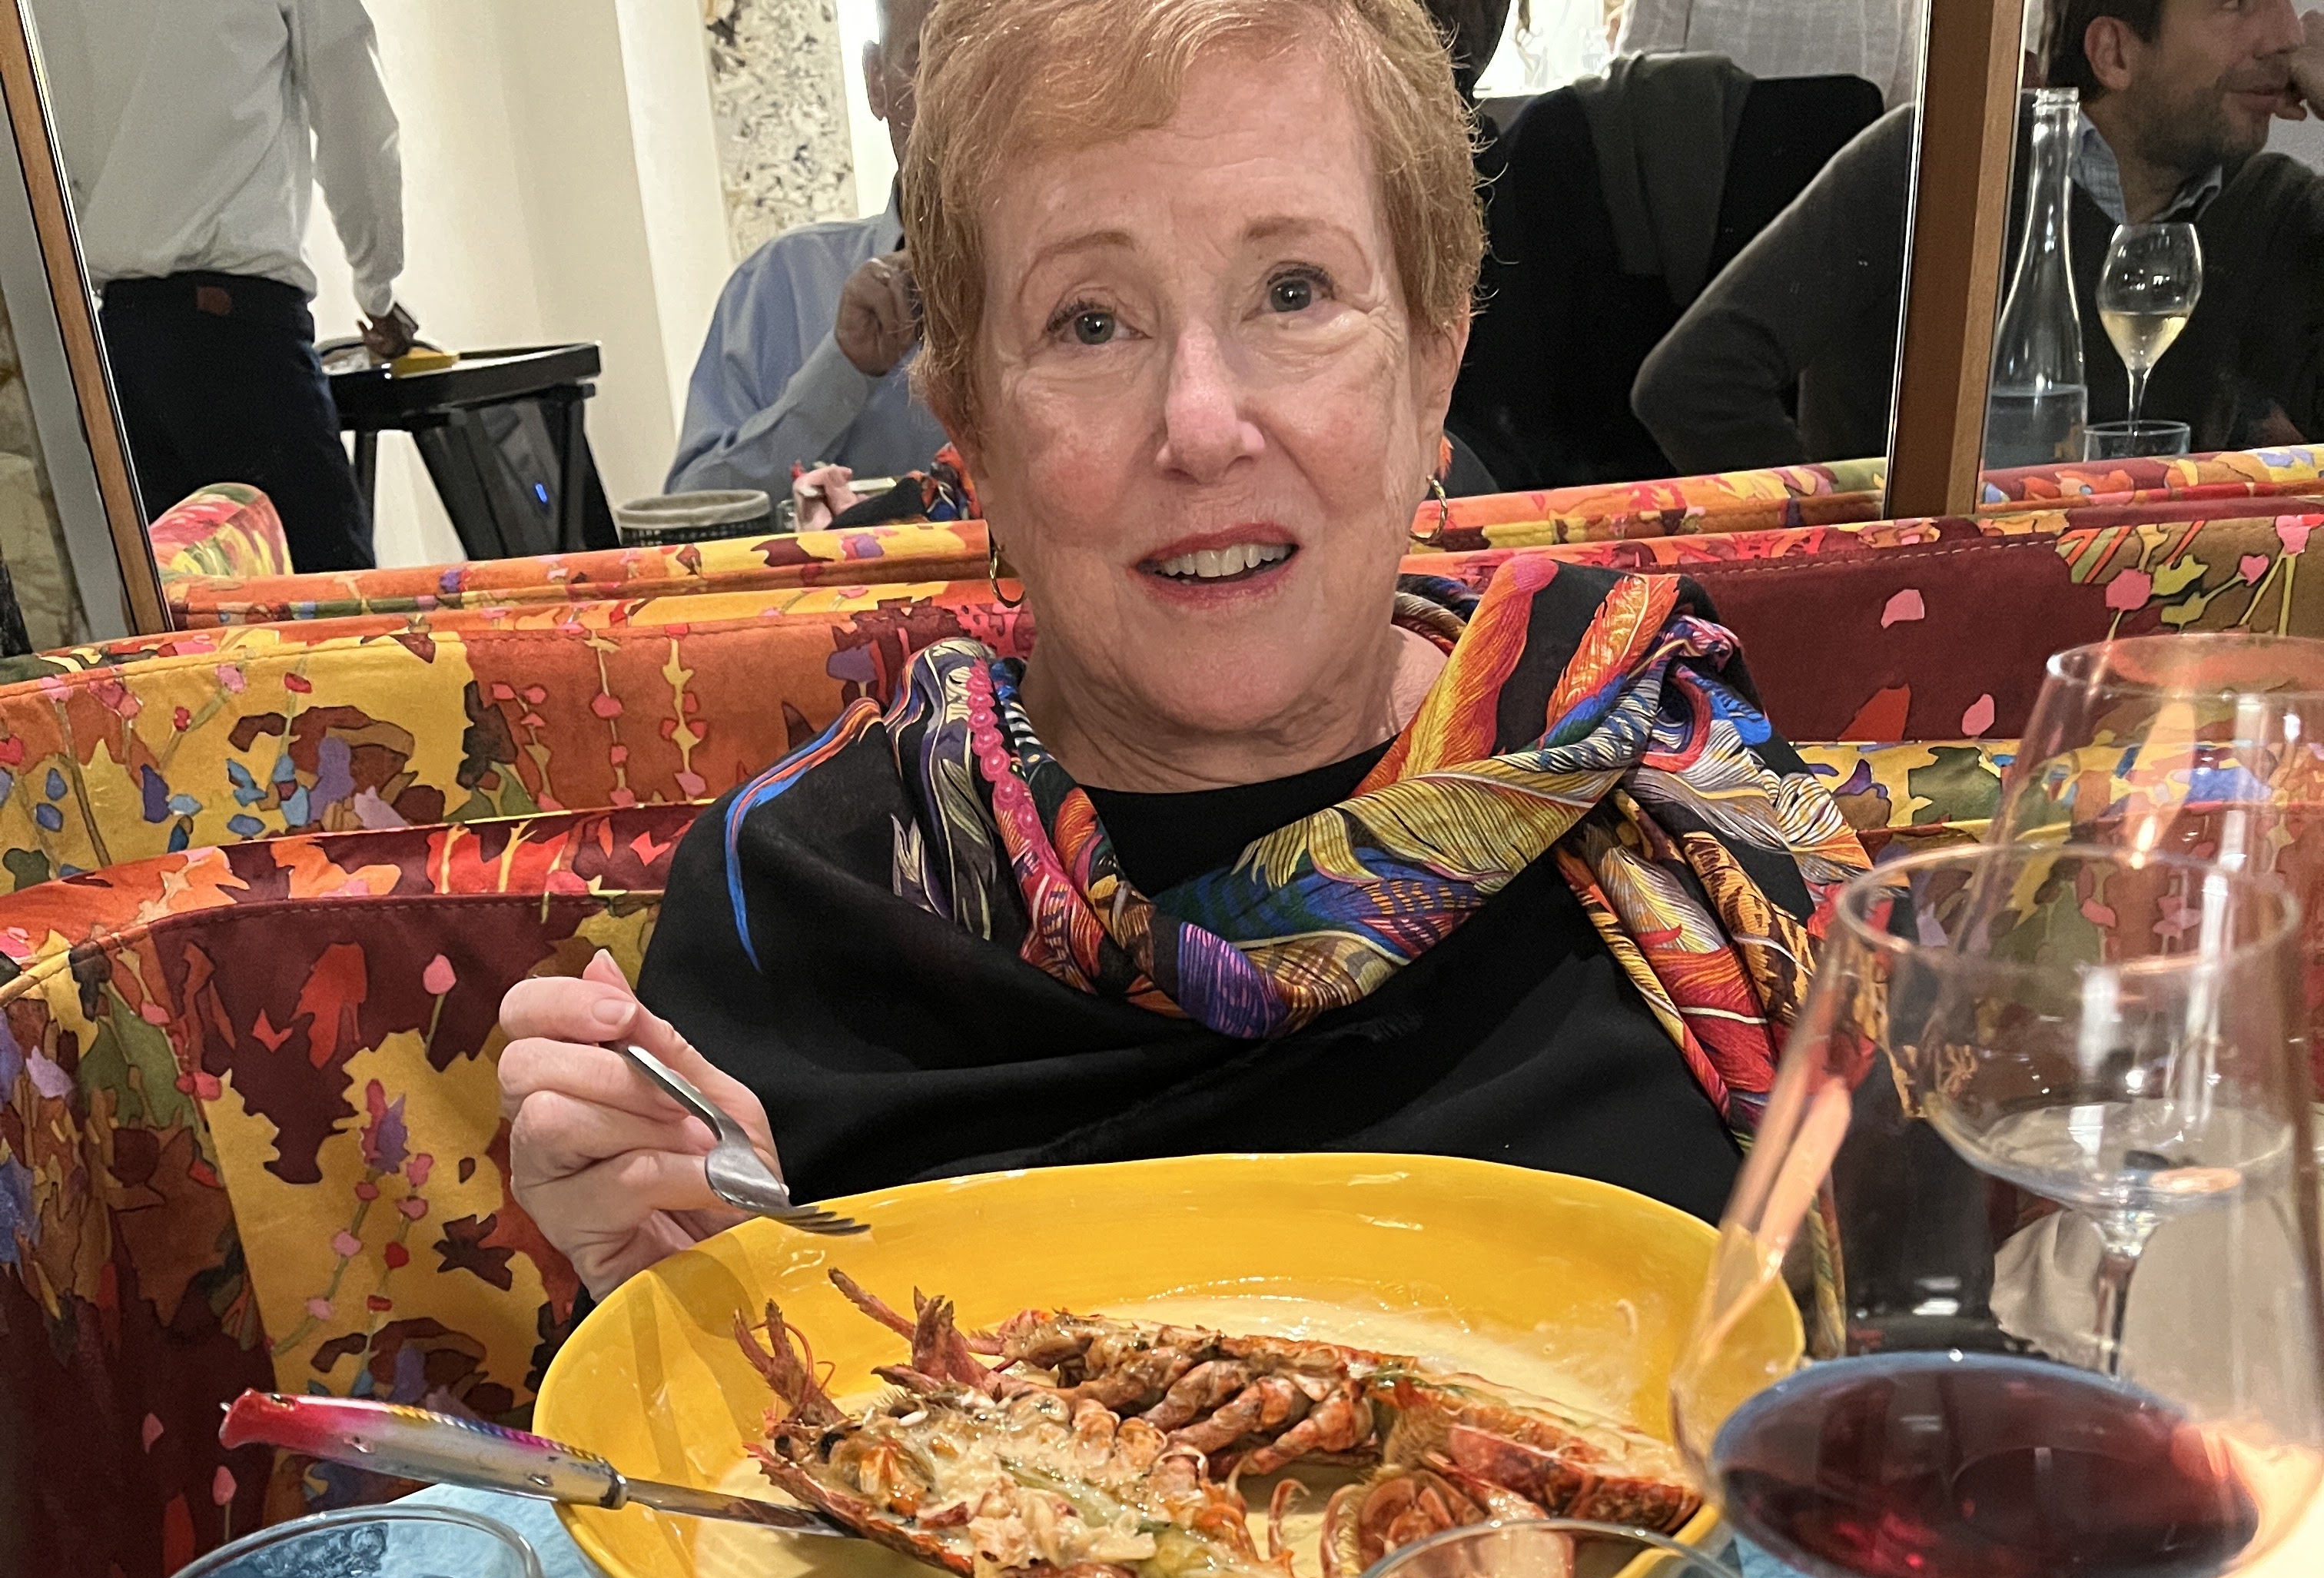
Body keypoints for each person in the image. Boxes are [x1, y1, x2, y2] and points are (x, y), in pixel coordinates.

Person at [501, 0, 1864, 1300]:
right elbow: (694, 1431)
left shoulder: (1666, 779)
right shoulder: (792, 900)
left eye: (1292, 290)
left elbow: (1913, 1336)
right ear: (973, 434)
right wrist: (670, 1298)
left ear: (1432, 361)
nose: (1202, 426)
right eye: (1089, 322)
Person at [1634, 0, 2324, 469]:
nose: (2287, 35)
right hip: (1928, 619)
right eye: (2236, 3)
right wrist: (1847, 555)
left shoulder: (2268, 205)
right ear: (2114, 53)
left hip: (2155, 617)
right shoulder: (1945, 159)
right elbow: (1694, 381)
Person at [30, 0, 410, 573]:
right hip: (241, 335)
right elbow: (355, 114)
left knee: (182, 610)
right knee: (328, 601)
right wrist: (378, 288)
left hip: (118, 342)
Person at [667, 0, 945, 507]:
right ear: (876, 80)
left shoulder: (1086, 287)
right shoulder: (781, 284)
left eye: (991, 64)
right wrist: (841, 372)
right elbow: (693, 517)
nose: (962, 95)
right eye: (929, 60)